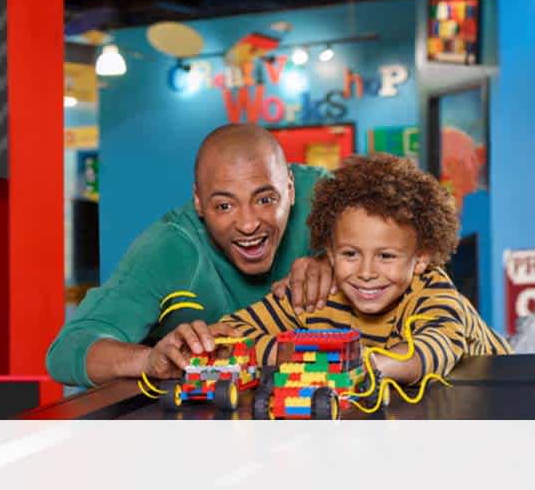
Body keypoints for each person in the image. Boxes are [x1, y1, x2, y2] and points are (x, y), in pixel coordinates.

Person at [46, 124, 334, 387]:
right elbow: (68, 349)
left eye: (265, 200)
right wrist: (148, 360)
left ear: (291, 189)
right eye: (224, 206)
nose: (248, 224)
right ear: (198, 201)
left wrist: (336, 259)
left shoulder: (324, 198)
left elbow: (379, 216)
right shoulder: (169, 247)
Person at [220, 154, 510, 384]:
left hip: (510, 385)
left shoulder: (432, 292)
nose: (366, 272)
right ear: (330, 253)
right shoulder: (318, 293)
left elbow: (431, 350)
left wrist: (347, 365)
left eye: (385, 256)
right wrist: (307, 356)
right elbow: (230, 335)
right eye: (350, 254)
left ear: (420, 258)